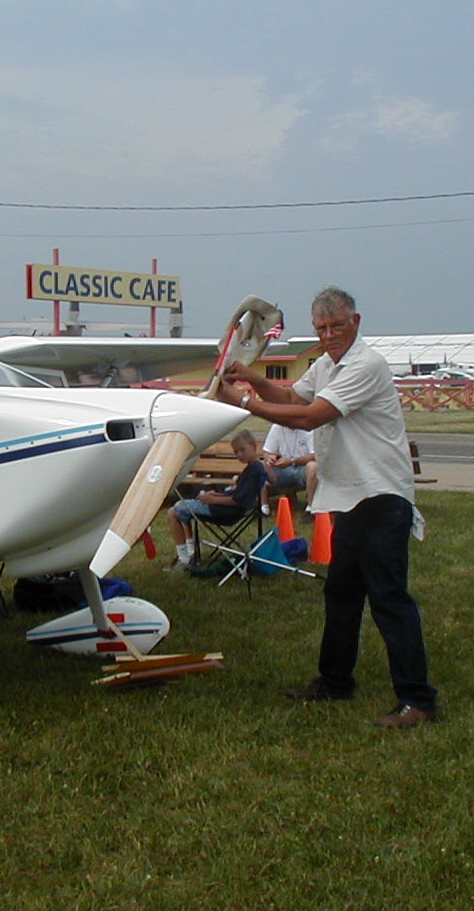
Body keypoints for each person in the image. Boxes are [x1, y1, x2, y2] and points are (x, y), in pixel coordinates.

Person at [217, 286, 438, 728]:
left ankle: (418, 701)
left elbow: (311, 416)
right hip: (349, 496)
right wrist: (252, 378)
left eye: (337, 326)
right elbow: (293, 399)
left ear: (356, 322)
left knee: (389, 599)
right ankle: (335, 682)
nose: (329, 335)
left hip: (381, 495)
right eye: (321, 328)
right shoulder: (326, 365)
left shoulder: (367, 365)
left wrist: (242, 401)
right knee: (341, 594)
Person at [165, 429, 267, 571]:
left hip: (224, 512)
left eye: (242, 450)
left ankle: (185, 558)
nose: (239, 455)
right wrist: (216, 495)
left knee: (175, 510)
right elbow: (236, 494)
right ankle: (189, 554)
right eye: (236, 452)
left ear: (253, 446)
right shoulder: (254, 468)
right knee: (175, 510)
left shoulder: (254, 470)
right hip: (226, 510)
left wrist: (211, 499)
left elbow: (237, 500)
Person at [261, 423, 318, 508]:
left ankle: (311, 506)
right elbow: (267, 453)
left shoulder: (308, 427)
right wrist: (271, 458)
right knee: (261, 465)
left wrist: (292, 461)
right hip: (281, 470)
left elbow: (314, 455)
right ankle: (263, 505)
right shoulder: (277, 427)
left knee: (313, 466)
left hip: (302, 469)